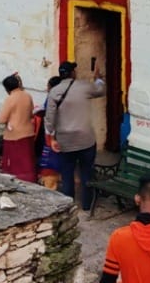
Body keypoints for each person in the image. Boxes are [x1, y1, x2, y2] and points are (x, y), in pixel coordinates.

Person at [45, 59, 106, 211]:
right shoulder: (84, 87)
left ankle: (69, 204)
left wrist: (52, 138)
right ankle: (87, 204)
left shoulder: (54, 91)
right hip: (86, 139)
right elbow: (100, 90)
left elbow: (50, 119)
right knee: (87, 172)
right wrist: (98, 78)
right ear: (73, 73)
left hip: (66, 140)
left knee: (67, 173)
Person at [0, 72, 37, 182]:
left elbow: (2, 119)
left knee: (15, 163)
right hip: (28, 132)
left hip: (14, 135)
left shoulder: (10, 99)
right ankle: (31, 181)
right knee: (27, 161)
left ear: (7, 88)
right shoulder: (27, 95)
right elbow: (31, 113)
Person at [35, 75, 63, 190]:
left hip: (52, 135)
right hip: (65, 135)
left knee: (50, 165)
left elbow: (48, 115)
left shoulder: (52, 99)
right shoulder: (66, 98)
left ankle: (50, 188)